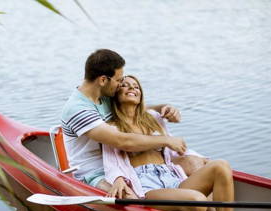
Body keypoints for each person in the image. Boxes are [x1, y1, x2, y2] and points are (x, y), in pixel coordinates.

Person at [61, 49, 201, 194]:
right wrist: (165, 140)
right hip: (96, 172)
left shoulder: (104, 96)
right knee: (128, 198)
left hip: (124, 162)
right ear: (103, 80)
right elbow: (122, 141)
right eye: (119, 80)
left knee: (196, 163)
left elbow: (134, 108)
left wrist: (162, 108)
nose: (120, 84)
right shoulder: (78, 109)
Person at [103, 75, 234, 211]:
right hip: (147, 186)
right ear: (116, 94)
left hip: (172, 177)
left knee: (221, 166)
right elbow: (111, 162)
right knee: (198, 201)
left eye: (136, 86)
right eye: (125, 85)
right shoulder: (111, 127)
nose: (132, 88)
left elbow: (174, 146)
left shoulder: (153, 119)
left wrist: (199, 159)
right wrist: (118, 179)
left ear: (141, 96)